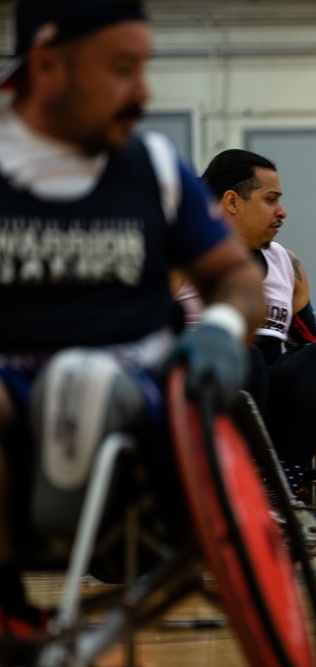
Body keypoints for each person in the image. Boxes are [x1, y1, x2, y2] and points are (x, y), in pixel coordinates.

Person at [0, 0, 264, 639]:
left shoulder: (152, 167)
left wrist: (223, 337)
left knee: (86, 380)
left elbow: (236, 279)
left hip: (139, 391)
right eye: (122, 69)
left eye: (144, 67)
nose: (142, 92)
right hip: (13, 392)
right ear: (47, 66)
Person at [176, 148, 316, 495]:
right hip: (204, 399)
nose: (282, 212)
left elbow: (310, 338)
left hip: (269, 403)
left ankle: (288, 477)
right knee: (244, 353)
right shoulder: (184, 257)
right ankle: (236, 468)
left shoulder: (286, 263)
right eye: (270, 200)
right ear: (233, 201)